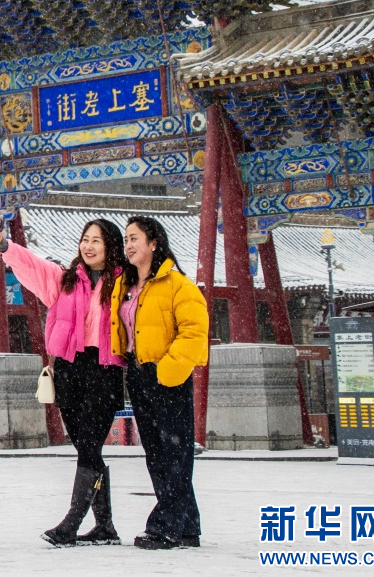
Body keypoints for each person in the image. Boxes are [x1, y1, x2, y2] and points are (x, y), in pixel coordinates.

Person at [0, 214, 128, 547]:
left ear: (111, 246)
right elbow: (33, 266)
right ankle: (105, 526)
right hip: (68, 369)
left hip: (104, 369)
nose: (88, 246)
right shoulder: (65, 280)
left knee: (89, 447)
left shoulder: (126, 283)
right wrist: (4, 245)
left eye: (96, 241)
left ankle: (71, 523)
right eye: (85, 240)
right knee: (86, 448)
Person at [111, 215, 209, 550]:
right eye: (126, 239)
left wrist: (168, 369)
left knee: (175, 452)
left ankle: (165, 526)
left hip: (168, 376)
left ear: (154, 243)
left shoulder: (178, 285)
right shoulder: (125, 287)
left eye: (134, 238)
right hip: (138, 374)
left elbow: (194, 331)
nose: (128, 245)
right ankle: (187, 526)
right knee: (156, 453)